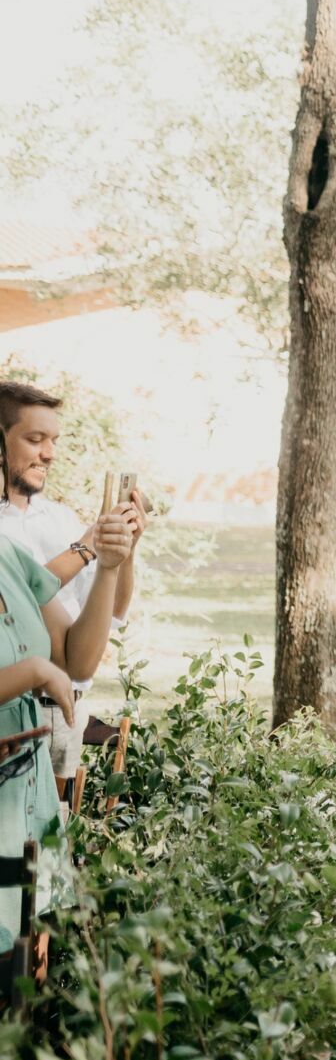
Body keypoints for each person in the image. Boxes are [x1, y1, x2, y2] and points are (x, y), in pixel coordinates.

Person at [0, 465, 132, 956]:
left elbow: (76, 654)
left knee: (34, 954)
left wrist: (109, 555)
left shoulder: (8, 553)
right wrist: (35, 671)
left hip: (28, 794)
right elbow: (48, 664)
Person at [0, 382, 147, 788]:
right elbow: (25, 592)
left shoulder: (59, 518)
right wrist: (88, 546)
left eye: (53, 440)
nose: (49, 453)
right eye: (34, 439)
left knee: (50, 841)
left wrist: (122, 551)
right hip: (12, 712)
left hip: (66, 710)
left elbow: (107, 614)